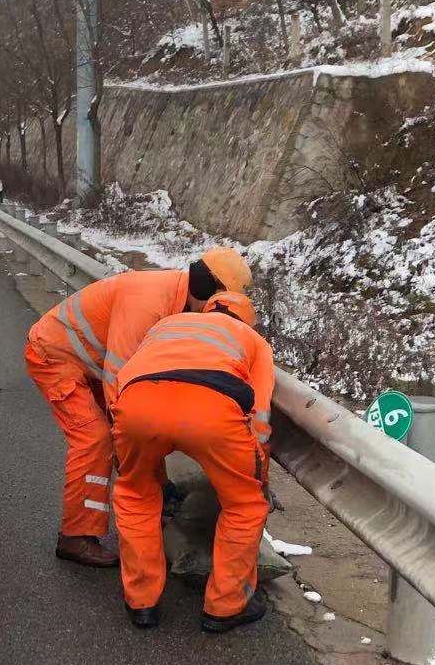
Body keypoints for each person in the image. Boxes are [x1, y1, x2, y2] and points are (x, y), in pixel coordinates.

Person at [24, 246, 253, 568]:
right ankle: (76, 536)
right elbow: (120, 380)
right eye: (219, 302)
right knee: (96, 439)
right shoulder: (149, 302)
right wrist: (128, 447)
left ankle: (158, 492)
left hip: (91, 363)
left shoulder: (179, 305)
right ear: (206, 289)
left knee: (141, 428)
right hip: (54, 355)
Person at [110, 290, 275, 633]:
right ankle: (226, 606)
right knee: (244, 504)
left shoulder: (169, 323)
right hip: (212, 408)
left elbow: (125, 371)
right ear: (248, 321)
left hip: (137, 401)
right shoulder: (253, 340)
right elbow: (259, 415)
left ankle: (141, 602)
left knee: (135, 494)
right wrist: (258, 470)